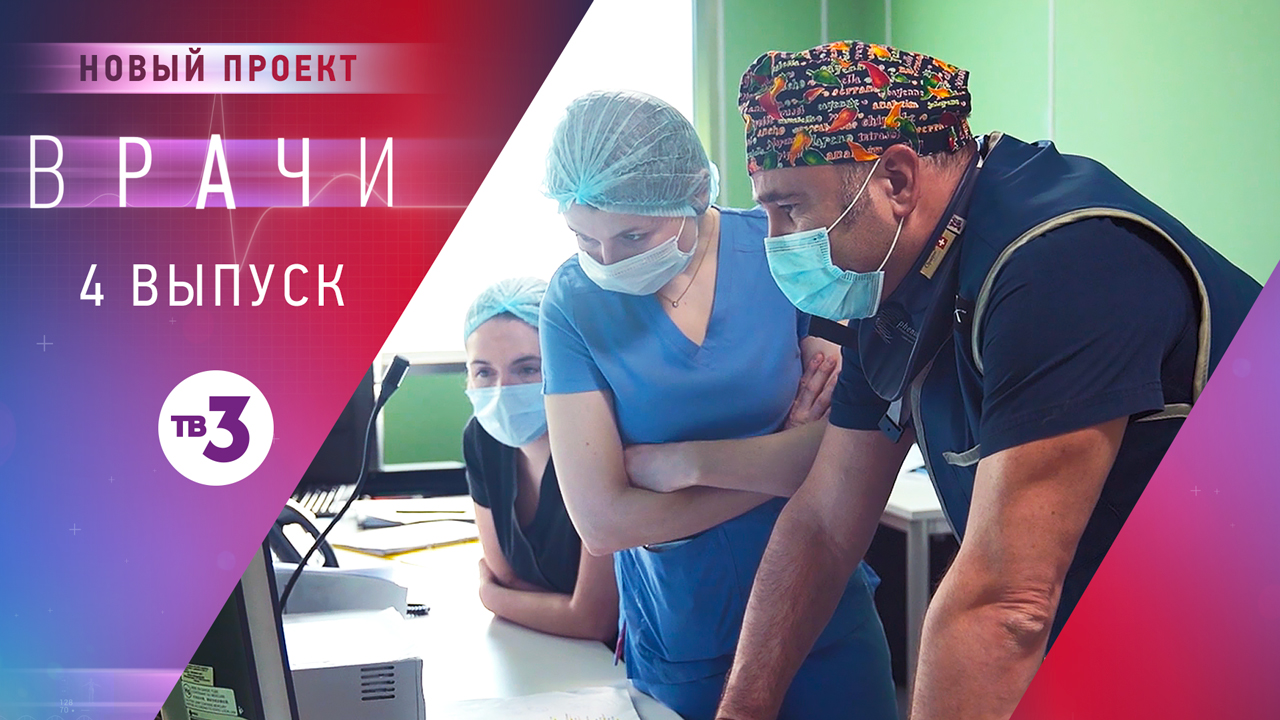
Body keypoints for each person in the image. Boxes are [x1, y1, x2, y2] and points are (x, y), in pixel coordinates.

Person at [714, 41, 1263, 720]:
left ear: (896, 181)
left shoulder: (1059, 263)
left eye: (791, 209)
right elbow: (825, 523)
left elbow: (1006, 605)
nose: (773, 241)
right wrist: (741, 710)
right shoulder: (883, 281)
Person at [538, 90, 898, 720]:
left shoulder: (784, 247)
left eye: (632, 234)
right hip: (686, 632)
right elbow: (603, 524)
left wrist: (686, 463)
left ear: (693, 192)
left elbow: (852, 442)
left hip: (821, 606)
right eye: (583, 238)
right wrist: (781, 466)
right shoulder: (571, 303)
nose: (607, 261)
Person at [461, 277, 619, 643]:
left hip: (611, 664)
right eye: (483, 371)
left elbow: (594, 620)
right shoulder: (482, 439)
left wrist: (490, 597)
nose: (502, 390)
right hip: (543, 650)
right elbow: (506, 576)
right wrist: (541, 605)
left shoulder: (601, 440)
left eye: (527, 369)